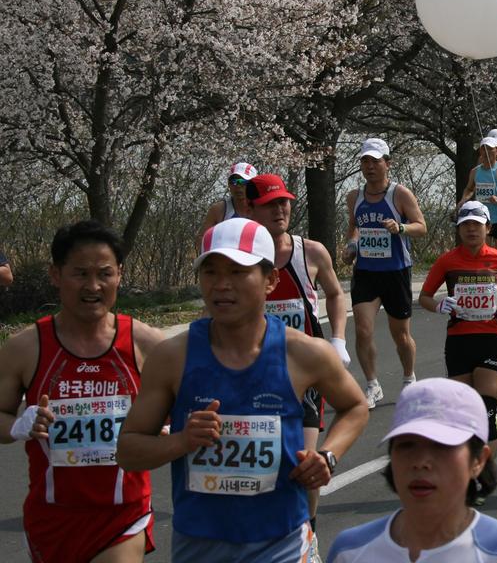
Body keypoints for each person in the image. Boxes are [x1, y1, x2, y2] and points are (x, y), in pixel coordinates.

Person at [117, 218, 369, 563]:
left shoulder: (304, 352)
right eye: (211, 272)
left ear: (271, 280)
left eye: (237, 272)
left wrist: (327, 455)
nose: (222, 285)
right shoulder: (172, 356)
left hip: (282, 541)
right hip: (199, 545)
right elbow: (128, 451)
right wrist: (182, 441)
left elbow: (355, 406)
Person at [0, 220, 164, 563]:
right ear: (55, 275)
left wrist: (165, 426)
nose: (93, 286)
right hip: (53, 520)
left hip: (124, 514)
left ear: (119, 275)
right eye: (80, 273)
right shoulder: (24, 348)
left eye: (105, 274)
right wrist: (18, 426)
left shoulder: (147, 343)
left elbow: (191, 403)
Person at [326, 378, 497, 562]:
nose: (420, 462)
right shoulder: (350, 551)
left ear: (478, 460)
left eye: (441, 446)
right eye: (407, 445)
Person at [247, 172, 353, 528]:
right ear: (250, 209)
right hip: (254, 374)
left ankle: (309, 533)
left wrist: (337, 339)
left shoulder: (311, 251)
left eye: (284, 203)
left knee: (304, 463)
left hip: (303, 374)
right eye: (270, 204)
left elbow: (335, 294)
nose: (280, 210)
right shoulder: (241, 259)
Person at [417, 202, 497, 460]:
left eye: (477, 224)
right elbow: (424, 297)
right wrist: (438, 305)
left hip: (491, 340)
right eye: (465, 225)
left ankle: (481, 474)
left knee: (486, 408)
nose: (471, 229)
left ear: (488, 228)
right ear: (459, 229)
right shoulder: (447, 261)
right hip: (458, 342)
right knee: (464, 414)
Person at [343, 137, 427, 409]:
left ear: (387, 164)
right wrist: (351, 245)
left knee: (400, 334)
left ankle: (409, 377)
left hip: (395, 271)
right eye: (365, 161)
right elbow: (354, 226)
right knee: (362, 329)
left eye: (375, 161)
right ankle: (372, 385)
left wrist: (400, 228)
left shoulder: (399, 194)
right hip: (366, 272)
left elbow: (421, 226)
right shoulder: (354, 197)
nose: (370, 167)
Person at [461, 135, 497, 256]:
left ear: (496, 151)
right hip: (482, 218)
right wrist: (463, 200)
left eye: (490, 149)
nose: (487, 152)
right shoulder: (475, 171)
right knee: (482, 253)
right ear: (480, 151)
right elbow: (469, 189)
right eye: (484, 149)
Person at [197, 162, 257, 244]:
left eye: (243, 182)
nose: (238, 186)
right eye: (234, 182)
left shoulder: (262, 209)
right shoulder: (218, 210)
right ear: (228, 184)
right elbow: (202, 239)